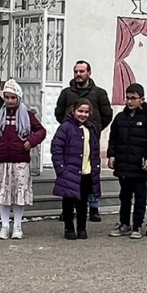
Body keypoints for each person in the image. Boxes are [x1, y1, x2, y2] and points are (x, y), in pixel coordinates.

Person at [0, 79, 45, 239]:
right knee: (3, 195)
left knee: (18, 195)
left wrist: (30, 141)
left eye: (13, 98)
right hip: (1, 161)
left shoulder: (28, 115)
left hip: (20, 161)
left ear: (18, 98)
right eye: (7, 97)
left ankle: (17, 226)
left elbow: (41, 131)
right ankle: (4, 226)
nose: (10, 101)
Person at [54, 60, 113, 225]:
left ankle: (93, 207)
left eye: (81, 71)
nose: (78, 75)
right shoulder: (67, 93)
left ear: (89, 73)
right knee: (71, 173)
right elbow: (59, 113)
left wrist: (96, 127)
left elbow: (107, 115)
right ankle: (67, 210)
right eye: (76, 72)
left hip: (90, 138)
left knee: (90, 172)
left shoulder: (99, 93)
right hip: (71, 140)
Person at [105, 82, 147, 238]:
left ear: (141, 100)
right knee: (125, 196)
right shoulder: (120, 118)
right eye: (127, 98)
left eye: (133, 98)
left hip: (140, 165)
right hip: (123, 164)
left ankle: (137, 226)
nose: (129, 101)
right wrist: (112, 154)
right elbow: (113, 138)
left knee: (140, 197)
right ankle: (124, 224)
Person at [51, 98, 102, 240]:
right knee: (68, 202)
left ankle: (82, 228)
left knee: (82, 202)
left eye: (86, 112)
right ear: (73, 111)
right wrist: (61, 169)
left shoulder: (91, 128)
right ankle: (69, 227)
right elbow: (56, 148)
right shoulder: (66, 127)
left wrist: (94, 169)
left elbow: (94, 151)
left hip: (86, 171)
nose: (83, 114)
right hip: (69, 171)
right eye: (80, 111)